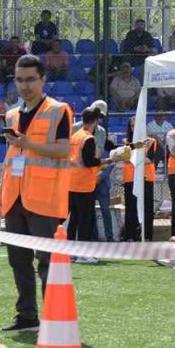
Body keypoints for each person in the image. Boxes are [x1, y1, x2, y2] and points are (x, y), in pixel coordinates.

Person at [0, 55, 73, 332]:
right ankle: (27, 316)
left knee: (47, 261)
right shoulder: (12, 114)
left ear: (43, 80)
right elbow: (11, 156)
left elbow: (64, 150)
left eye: (30, 79)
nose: (25, 85)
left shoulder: (58, 110)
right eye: (19, 80)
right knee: (17, 259)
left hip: (44, 197)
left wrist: (29, 143)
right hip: (15, 196)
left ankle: (54, 318)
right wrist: (1, 194)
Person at [67, 108, 115, 253]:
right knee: (85, 219)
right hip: (84, 184)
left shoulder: (76, 136)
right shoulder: (88, 138)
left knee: (74, 218)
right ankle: (84, 252)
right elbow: (89, 162)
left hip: (73, 183)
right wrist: (108, 160)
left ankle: (70, 249)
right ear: (95, 121)